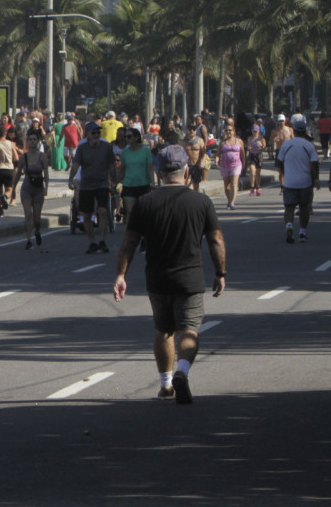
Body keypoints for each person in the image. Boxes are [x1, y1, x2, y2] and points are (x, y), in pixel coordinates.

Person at [113, 145, 226, 404]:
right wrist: (220, 272)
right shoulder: (201, 202)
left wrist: (121, 275)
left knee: (164, 329)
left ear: (160, 174)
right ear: (187, 171)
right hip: (190, 279)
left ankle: (165, 384)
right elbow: (216, 241)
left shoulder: (145, 203)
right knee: (189, 329)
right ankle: (182, 372)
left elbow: (128, 243)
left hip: (157, 278)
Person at [68, 122, 116, 254]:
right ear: (88, 135)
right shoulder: (82, 148)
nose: (96, 135)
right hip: (86, 185)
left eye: (98, 133)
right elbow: (76, 164)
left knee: (102, 211)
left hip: (102, 183)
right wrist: (70, 179)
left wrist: (114, 180)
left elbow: (112, 164)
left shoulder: (106, 147)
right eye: (93, 133)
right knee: (87, 215)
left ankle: (102, 240)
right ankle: (92, 241)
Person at [276, 114, 319, 244]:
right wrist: (316, 179)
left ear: (293, 130)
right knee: (304, 208)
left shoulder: (286, 145)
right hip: (305, 182)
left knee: (289, 207)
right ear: (304, 131)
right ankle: (302, 232)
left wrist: (284, 172)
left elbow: (279, 162)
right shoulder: (309, 146)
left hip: (289, 182)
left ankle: (289, 224)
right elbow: (315, 165)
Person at [12, 131, 50, 249]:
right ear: (27, 142)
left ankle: (37, 230)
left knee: (37, 218)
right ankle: (28, 239)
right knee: (28, 214)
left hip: (38, 188)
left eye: (35, 139)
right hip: (27, 188)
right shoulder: (23, 157)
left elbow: (46, 173)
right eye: (30, 140)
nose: (32, 142)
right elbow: (18, 173)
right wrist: (13, 188)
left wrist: (46, 188)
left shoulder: (42, 156)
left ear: (38, 142)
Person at [117, 127, 155, 228]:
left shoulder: (145, 151)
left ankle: (144, 233)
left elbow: (150, 168)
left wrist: (153, 182)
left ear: (136, 137)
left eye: (129, 136)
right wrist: (115, 182)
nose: (127, 139)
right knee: (130, 211)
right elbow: (122, 170)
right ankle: (133, 234)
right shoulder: (125, 152)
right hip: (129, 185)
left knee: (144, 211)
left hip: (143, 184)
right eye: (126, 137)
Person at [0, 125, 18, 216]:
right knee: (9, 190)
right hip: (8, 169)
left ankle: (1, 212)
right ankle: (5, 196)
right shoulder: (11, 143)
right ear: (6, 133)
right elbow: (16, 158)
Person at [218, 124, 246, 210]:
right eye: (227, 130)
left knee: (234, 183)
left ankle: (232, 202)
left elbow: (243, 154)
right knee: (227, 186)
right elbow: (218, 153)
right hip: (225, 165)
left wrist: (244, 163)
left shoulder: (239, 141)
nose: (228, 132)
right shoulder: (222, 142)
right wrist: (216, 159)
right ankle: (229, 200)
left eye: (230, 130)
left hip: (236, 165)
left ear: (233, 131)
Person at [246, 125, 266, 196]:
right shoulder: (249, 138)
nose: (254, 133)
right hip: (252, 155)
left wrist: (263, 147)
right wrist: (249, 147)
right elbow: (248, 146)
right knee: (252, 171)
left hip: (259, 156)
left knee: (257, 173)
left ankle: (257, 187)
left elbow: (264, 148)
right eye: (253, 131)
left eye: (256, 131)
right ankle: (252, 187)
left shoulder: (261, 138)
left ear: (258, 131)